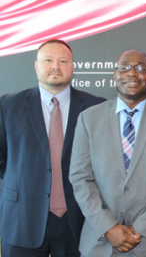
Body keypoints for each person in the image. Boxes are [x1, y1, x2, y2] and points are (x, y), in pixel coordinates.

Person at [69, 50, 146, 256]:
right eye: (124, 67)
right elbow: (80, 178)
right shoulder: (88, 119)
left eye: (141, 68)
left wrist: (140, 229)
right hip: (99, 243)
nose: (132, 73)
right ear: (114, 76)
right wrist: (108, 227)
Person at [0, 39, 105, 256]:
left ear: (73, 67)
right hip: (22, 218)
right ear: (37, 65)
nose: (55, 66)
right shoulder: (7, 106)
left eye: (63, 61)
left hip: (78, 221)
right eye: (48, 60)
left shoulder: (97, 108)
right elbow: (2, 159)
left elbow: (104, 163)